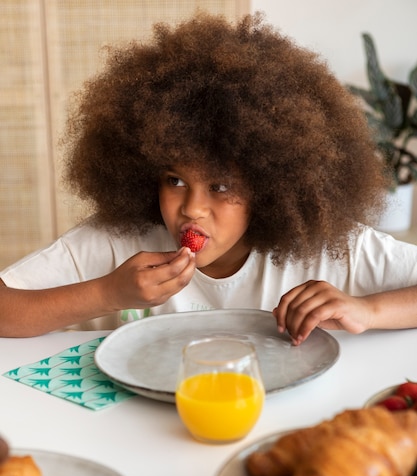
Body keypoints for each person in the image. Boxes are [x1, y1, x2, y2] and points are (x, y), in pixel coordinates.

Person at [1, 12, 417, 343]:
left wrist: (369, 311)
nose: (191, 209)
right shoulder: (118, 243)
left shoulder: (327, 250)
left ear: (271, 189)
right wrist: (107, 294)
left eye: (220, 187)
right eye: (174, 180)